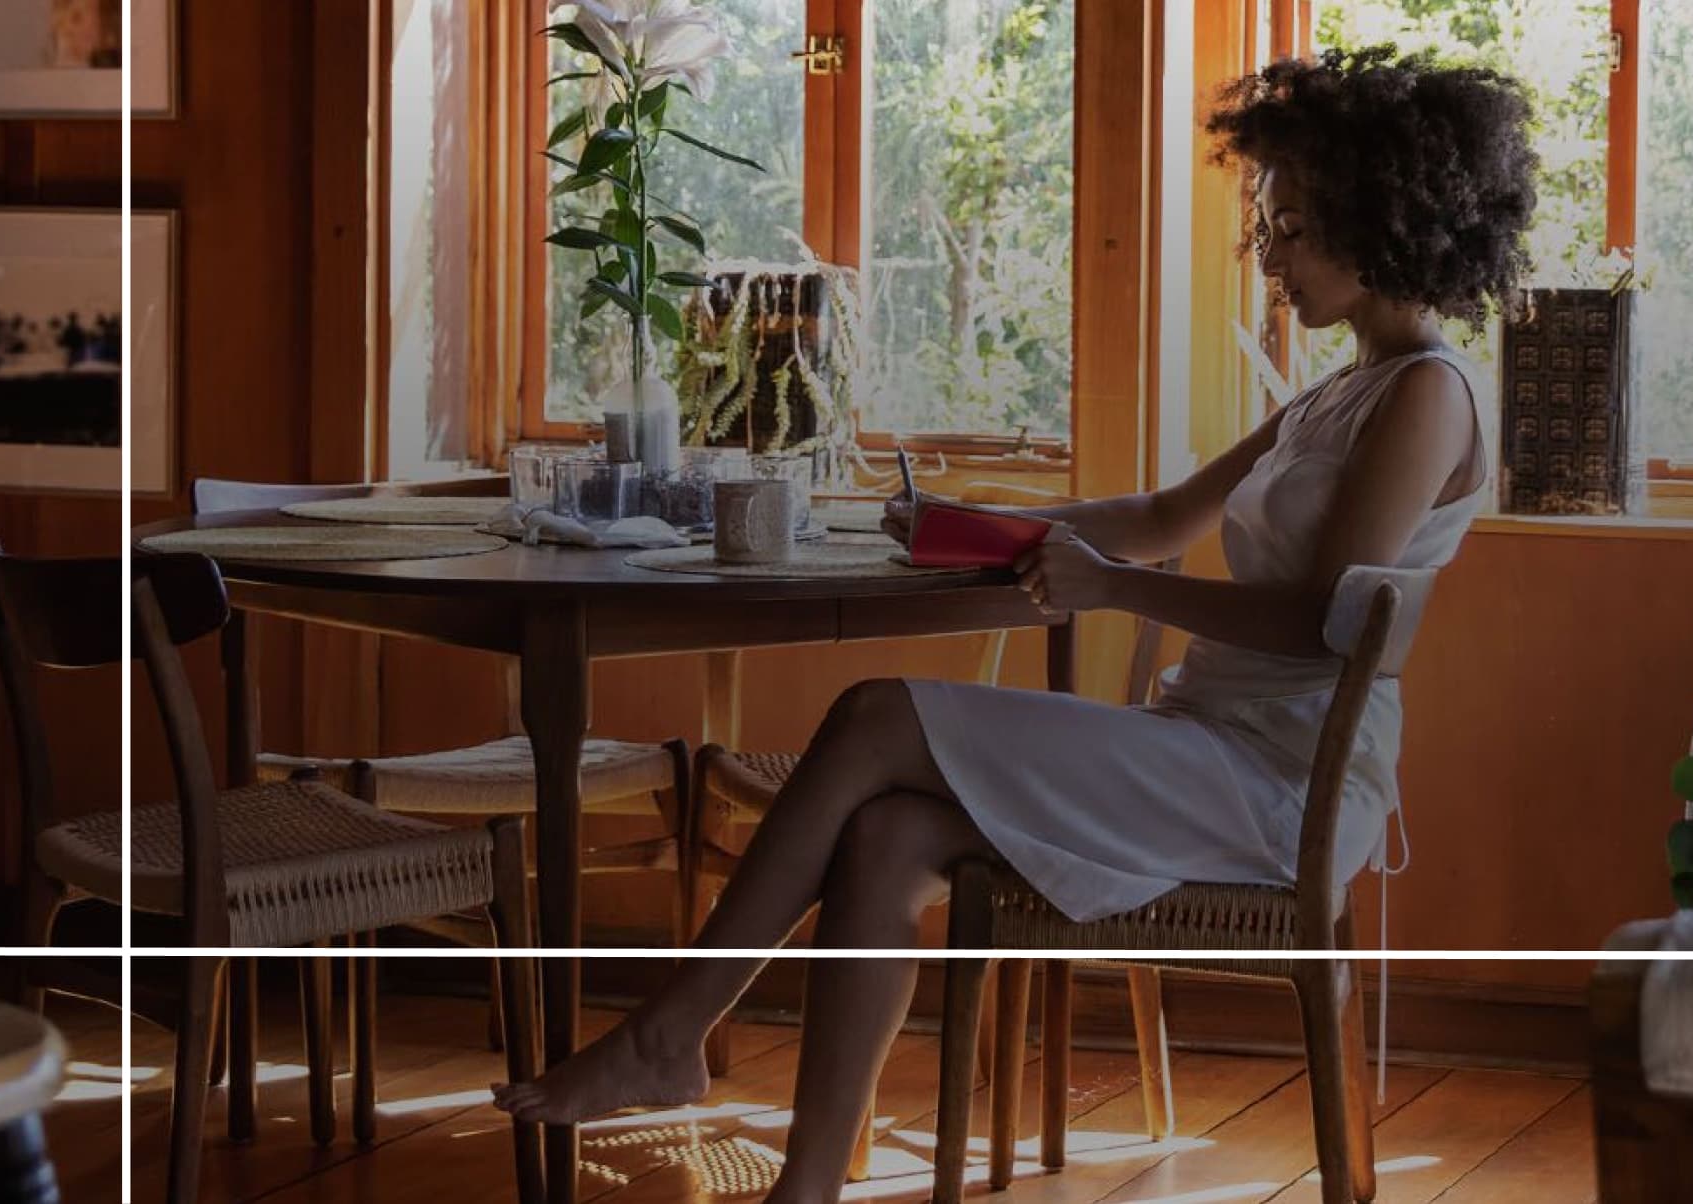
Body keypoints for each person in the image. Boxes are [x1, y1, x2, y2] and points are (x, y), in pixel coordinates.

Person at [495, 44, 1538, 1202]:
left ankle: (667, 1032)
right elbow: (1153, 516)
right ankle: (802, 1188)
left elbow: (1317, 623)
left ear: (1381, 218)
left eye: (1294, 226)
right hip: (1209, 749)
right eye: (1272, 224)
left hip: (1280, 782)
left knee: (873, 715)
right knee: (888, 834)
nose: (1273, 254)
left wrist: (1114, 589)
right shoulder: (1339, 392)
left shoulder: (1427, 397)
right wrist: (968, 523)